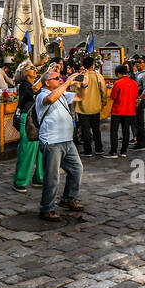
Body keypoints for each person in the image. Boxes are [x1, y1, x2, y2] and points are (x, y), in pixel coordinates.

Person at [36, 65, 86, 222]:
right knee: (52, 177)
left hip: (67, 140)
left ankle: (68, 199)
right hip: (52, 141)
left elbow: (80, 97)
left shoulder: (62, 94)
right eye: (56, 78)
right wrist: (67, 81)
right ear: (46, 83)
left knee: (76, 169)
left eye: (60, 78)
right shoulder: (42, 95)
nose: (60, 80)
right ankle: (46, 209)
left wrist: (84, 85)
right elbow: (50, 99)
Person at [12, 60, 45, 192]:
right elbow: (33, 91)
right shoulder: (24, 85)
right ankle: (19, 181)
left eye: (34, 68)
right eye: (32, 68)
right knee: (27, 150)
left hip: (40, 117)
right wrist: (44, 76)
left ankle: (39, 178)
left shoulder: (38, 84)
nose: (35, 69)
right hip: (28, 118)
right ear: (24, 72)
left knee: (42, 150)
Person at [72, 56, 106, 157]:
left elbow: (73, 89)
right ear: (93, 65)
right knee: (96, 129)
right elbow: (103, 91)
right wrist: (103, 102)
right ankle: (99, 148)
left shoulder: (80, 76)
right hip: (95, 106)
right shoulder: (98, 76)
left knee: (85, 130)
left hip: (82, 108)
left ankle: (88, 150)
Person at [107, 63, 139, 158]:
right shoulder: (134, 83)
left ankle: (113, 151)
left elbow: (113, 96)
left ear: (119, 73)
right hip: (129, 110)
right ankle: (123, 151)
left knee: (114, 131)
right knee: (126, 131)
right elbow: (136, 96)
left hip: (118, 110)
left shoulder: (118, 83)